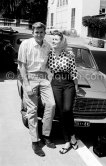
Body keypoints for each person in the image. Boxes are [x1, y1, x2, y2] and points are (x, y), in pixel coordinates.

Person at [18, 22, 56, 157]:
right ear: (32, 33)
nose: (39, 35)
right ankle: (35, 141)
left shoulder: (48, 46)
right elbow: (21, 66)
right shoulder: (25, 45)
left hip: (44, 79)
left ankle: (46, 135)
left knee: (51, 105)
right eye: (36, 32)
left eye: (41, 32)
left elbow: (51, 65)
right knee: (32, 110)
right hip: (30, 78)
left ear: (44, 33)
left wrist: (49, 79)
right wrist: (27, 86)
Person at [47, 31, 79, 154]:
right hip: (56, 83)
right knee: (61, 112)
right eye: (52, 39)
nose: (53, 41)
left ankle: (72, 136)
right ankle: (68, 139)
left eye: (56, 40)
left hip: (68, 83)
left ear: (61, 42)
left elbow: (74, 71)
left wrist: (76, 86)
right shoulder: (49, 54)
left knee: (67, 110)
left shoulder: (69, 54)